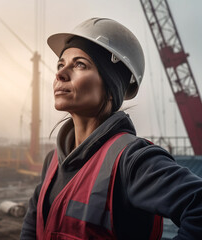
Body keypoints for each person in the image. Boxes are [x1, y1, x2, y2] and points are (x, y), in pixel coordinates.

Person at [20, 17, 202, 240]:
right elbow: (32, 224)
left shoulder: (132, 160)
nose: (60, 74)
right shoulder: (52, 161)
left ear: (110, 87)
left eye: (79, 64)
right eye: (60, 64)